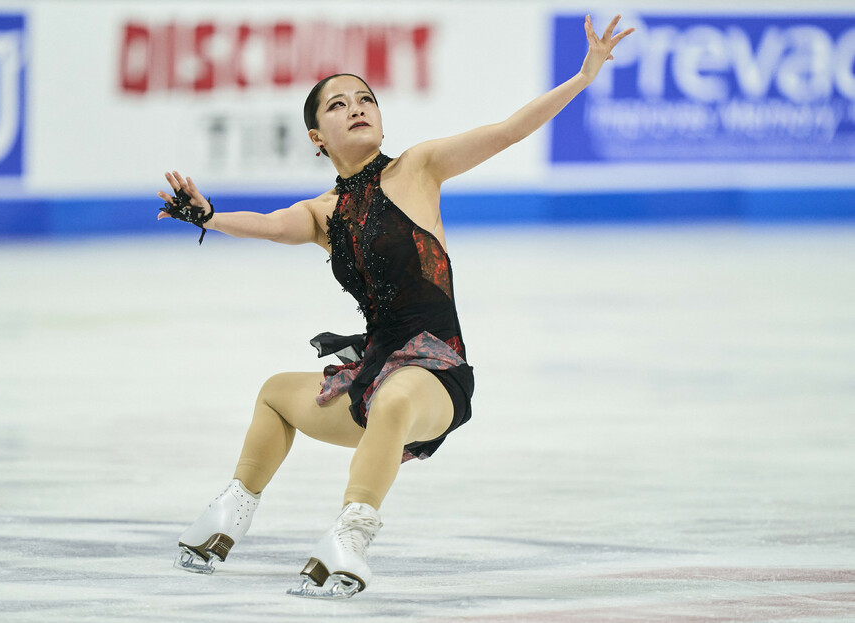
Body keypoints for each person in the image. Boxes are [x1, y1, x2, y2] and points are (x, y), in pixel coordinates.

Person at [157, 14, 634, 599]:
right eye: (337, 105)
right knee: (277, 392)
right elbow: (267, 224)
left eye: (366, 98)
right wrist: (208, 216)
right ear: (316, 137)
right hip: (374, 374)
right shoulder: (322, 214)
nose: (357, 107)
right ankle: (229, 515)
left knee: (392, 398)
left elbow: (508, 131)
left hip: (436, 376)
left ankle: (351, 535)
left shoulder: (419, 168)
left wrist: (583, 77)